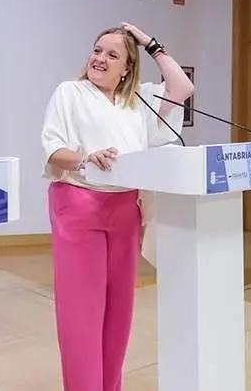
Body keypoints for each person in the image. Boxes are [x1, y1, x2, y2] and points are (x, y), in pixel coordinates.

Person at [40, 22, 194, 391]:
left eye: (112, 54)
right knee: (82, 312)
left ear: (127, 67)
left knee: (118, 309)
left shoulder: (137, 100)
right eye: (97, 50)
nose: (100, 59)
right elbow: (53, 148)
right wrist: (84, 157)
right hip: (79, 204)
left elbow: (182, 87)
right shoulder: (70, 92)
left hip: (126, 209)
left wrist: (149, 43)